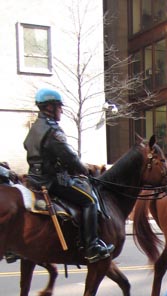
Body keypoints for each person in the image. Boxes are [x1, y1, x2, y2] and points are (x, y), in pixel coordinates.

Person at [23, 88, 114, 263]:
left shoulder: (34, 128)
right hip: (52, 180)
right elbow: (68, 156)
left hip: (34, 178)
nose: (61, 111)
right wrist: (83, 169)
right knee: (89, 201)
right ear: (50, 107)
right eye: (59, 107)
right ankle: (91, 246)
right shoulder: (52, 130)